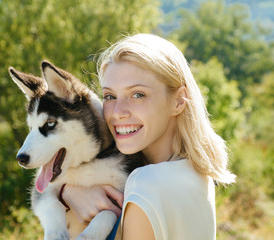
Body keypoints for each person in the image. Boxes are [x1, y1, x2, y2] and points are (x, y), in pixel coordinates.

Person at [60, 33, 236, 240]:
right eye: (110, 96)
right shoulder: (197, 174)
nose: (117, 112)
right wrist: (66, 192)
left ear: (179, 101)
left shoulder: (145, 182)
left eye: (137, 95)